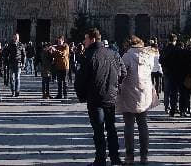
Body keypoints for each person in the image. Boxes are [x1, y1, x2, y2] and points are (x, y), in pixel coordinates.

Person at [75, 28, 122, 166]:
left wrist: (83, 96)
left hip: (95, 99)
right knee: (111, 128)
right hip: (110, 97)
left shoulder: (89, 55)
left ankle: (100, 160)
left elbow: (80, 80)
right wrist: (115, 87)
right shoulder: (114, 53)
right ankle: (115, 158)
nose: (84, 42)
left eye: (86, 39)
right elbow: (123, 71)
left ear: (93, 39)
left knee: (98, 130)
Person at [116, 35, 157, 165]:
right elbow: (152, 70)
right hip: (144, 92)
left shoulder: (127, 56)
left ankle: (129, 156)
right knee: (143, 124)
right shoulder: (149, 55)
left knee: (129, 125)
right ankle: (144, 155)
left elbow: (120, 72)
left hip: (129, 92)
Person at [159, 33, 183, 116]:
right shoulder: (177, 49)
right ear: (175, 40)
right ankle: (174, 108)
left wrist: (165, 66)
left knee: (166, 91)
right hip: (175, 72)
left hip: (166, 72)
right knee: (174, 91)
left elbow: (160, 60)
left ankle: (166, 106)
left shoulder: (165, 49)